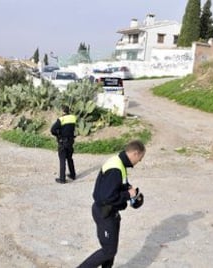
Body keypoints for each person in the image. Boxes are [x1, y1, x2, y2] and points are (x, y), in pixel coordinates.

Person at [77, 140, 146, 268]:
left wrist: (130, 190)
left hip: (111, 213)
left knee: (111, 250)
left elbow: (116, 186)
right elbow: (107, 197)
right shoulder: (116, 168)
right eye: (140, 158)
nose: (140, 161)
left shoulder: (119, 162)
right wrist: (128, 195)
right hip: (104, 213)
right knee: (108, 251)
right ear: (136, 153)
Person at [50, 105, 77, 184]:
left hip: (63, 141)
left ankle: (62, 179)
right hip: (71, 141)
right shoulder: (73, 118)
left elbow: (52, 130)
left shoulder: (61, 119)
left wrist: (57, 134)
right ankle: (73, 175)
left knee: (62, 160)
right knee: (70, 158)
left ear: (62, 111)